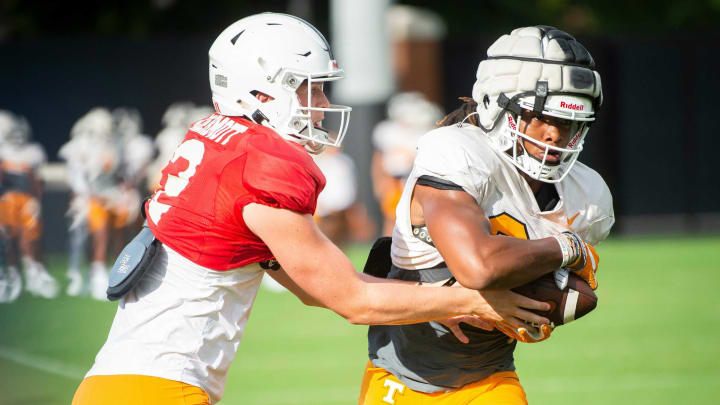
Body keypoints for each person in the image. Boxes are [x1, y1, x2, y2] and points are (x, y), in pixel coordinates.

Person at [71, 13, 551, 405]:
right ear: (260, 93)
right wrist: (469, 299)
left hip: (117, 385)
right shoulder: (261, 162)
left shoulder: (215, 141)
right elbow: (352, 300)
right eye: (309, 88)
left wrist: (423, 305)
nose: (321, 104)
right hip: (158, 390)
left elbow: (312, 287)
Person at [358, 26, 614, 405]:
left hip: (490, 379)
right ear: (498, 102)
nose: (556, 135)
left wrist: (540, 309)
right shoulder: (456, 152)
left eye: (571, 122)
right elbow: (478, 268)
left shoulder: (587, 194)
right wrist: (565, 247)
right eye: (541, 115)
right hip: (402, 381)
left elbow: (568, 296)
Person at [59, 107, 119, 300]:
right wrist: (83, 194)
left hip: (100, 196)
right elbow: (77, 174)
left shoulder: (110, 147)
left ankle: (97, 272)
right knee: (80, 238)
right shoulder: (81, 145)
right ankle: (78, 274)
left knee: (103, 233)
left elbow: (111, 175)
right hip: (83, 196)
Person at [0, 111, 58, 300]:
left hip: (26, 201)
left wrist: (36, 201)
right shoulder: (3, 152)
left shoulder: (34, 152)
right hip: (7, 201)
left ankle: (34, 274)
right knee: (6, 239)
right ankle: (10, 276)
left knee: (30, 239)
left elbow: (37, 181)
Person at [371, 92, 443, 235]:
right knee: (392, 217)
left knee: (419, 218)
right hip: (395, 179)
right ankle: (388, 250)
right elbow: (379, 160)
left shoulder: (427, 133)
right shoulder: (388, 131)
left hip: (419, 179)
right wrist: (380, 182)